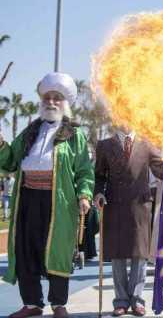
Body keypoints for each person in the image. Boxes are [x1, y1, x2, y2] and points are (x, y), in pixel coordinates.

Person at [0, 72, 94, 318]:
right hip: (27, 199)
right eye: (47, 98)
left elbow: (84, 170)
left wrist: (84, 194)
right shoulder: (30, 132)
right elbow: (9, 162)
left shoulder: (74, 135)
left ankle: (58, 304)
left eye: (56, 98)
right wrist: (1, 145)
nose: (51, 102)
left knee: (57, 251)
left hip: (59, 202)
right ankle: (32, 304)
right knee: (25, 249)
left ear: (64, 104)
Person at [94, 126, 163, 316]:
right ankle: (121, 301)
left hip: (140, 206)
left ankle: (137, 300)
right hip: (114, 206)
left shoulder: (147, 145)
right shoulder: (104, 145)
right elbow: (99, 175)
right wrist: (98, 192)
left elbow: (162, 170)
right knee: (118, 255)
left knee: (139, 255)